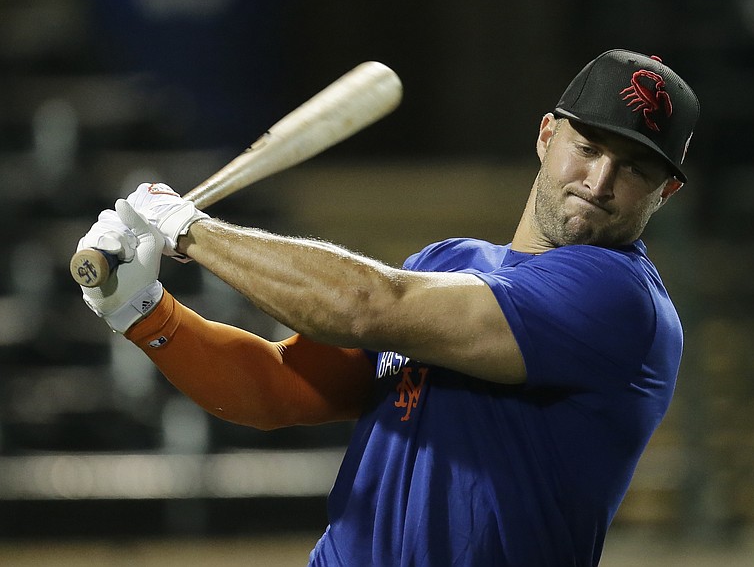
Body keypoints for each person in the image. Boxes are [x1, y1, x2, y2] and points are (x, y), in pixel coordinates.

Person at [77, 49, 699, 566]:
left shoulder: (620, 301)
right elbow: (278, 389)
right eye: (587, 146)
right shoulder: (446, 264)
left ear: (665, 191)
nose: (599, 180)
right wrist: (145, 312)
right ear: (545, 135)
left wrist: (190, 231)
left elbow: (366, 306)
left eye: (634, 168)